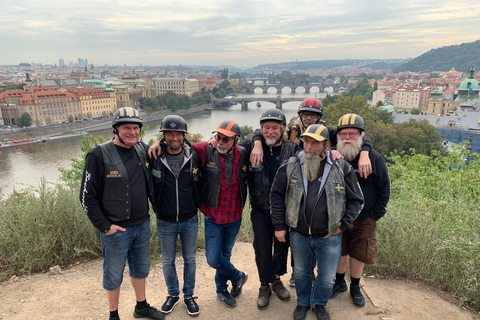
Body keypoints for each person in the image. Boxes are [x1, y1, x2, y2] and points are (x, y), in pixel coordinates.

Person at [250, 98, 373, 287]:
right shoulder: (291, 130)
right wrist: (257, 141)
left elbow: (351, 136)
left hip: (305, 194)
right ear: (300, 115)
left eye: (313, 115)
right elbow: (265, 129)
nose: (309, 118)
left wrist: (364, 152)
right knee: (276, 245)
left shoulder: (326, 132)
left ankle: (298, 275)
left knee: (296, 243)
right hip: (279, 198)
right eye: (306, 114)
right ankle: (273, 282)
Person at [149, 120, 249, 309]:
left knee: (224, 255)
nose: (220, 141)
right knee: (213, 258)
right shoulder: (205, 150)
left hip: (234, 215)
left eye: (225, 139)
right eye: (217, 136)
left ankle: (221, 290)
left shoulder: (243, 154)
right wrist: (159, 143)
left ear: (236, 140)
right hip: (212, 215)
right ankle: (238, 276)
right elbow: (178, 144)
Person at [270, 124, 364, 320]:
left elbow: (357, 200)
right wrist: (279, 225)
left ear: (326, 145)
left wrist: (343, 226)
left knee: (328, 277)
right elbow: (276, 195)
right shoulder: (291, 165)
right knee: (302, 272)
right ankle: (303, 303)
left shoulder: (341, 167)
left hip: (329, 235)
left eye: (315, 142)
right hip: (299, 233)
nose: (309, 146)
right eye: (307, 141)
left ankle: (319, 303)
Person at [79, 107, 164, 320]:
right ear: (116, 129)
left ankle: (141, 306)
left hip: (142, 224)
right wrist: (105, 226)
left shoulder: (141, 148)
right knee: (113, 274)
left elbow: (163, 149)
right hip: (116, 228)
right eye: (127, 128)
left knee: (141, 269)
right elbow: (85, 197)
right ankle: (113, 315)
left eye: (136, 128)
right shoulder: (98, 154)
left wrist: (158, 142)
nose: (133, 132)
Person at [329, 114, 390, 308]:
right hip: (339, 216)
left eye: (352, 134)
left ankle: (355, 286)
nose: (347, 138)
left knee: (359, 253)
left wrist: (375, 215)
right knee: (340, 251)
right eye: (343, 134)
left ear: (361, 136)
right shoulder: (333, 155)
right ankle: (339, 283)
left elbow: (384, 188)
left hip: (365, 217)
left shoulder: (372, 157)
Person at [242, 109, 300, 309]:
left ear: (282, 129)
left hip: (284, 211)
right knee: (262, 249)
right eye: (265, 127)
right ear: (261, 129)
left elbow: (314, 155)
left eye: (275, 127)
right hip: (260, 208)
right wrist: (256, 141)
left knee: (282, 247)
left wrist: (334, 151)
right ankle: (264, 285)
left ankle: (276, 280)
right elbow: (226, 147)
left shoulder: (292, 149)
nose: (270, 131)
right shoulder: (250, 147)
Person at [150, 115, 201, 316]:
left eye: (178, 133)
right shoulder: (153, 156)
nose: (174, 137)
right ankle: (173, 294)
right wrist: (154, 143)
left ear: (183, 135)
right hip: (165, 219)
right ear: (163, 135)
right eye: (169, 133)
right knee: (167, 261)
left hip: (189, 218)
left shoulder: (194, 155)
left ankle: (189, 296)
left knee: (190, 260)